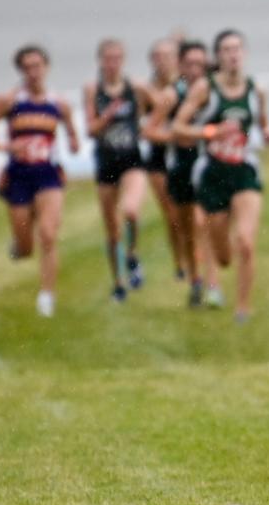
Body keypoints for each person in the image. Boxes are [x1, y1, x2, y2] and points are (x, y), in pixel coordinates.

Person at [173, 29, 269, 322]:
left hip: (245, 170)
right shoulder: (205, 89)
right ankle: (216, 275)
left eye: (238, 49)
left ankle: (243, 307)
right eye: (227, 50)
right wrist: (210, 131)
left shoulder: (257, 89)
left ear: (245, 54)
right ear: (218, 56)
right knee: (224, 254)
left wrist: (264, 132)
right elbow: (178, 128)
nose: (233, 55)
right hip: (212, 171)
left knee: (245, 241)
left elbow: (262, 122)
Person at [0, 45, 79, 317]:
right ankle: (19, 246)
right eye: (28, 68)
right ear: (21, 71)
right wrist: (7, 147)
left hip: (48, 174)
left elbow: (72, 137)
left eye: (38, 66)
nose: (34, 72)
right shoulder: (11, 102)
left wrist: (72, 142)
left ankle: (47, 295)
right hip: (19, 175)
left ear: (46, 68)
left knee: (48, 234)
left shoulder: (59, 104)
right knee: (26, 248)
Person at [143, 39, 221, 307]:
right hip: (180, 164)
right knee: (185, 225)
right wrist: (175, 137)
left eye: (200, 63)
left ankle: (213, 284)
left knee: (203, 221)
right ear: (180, 65)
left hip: (209, 162)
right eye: (189, 63)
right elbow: (149, 130)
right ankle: (195, 279)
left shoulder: (214, 90)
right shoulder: (172, 94)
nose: (195, 69)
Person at [84, 39, 152, 302]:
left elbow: (160, 105)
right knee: (111, 229)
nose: (112, 63)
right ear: (100, 60)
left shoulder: (135, 87)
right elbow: (90, 129)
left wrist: (148, 127)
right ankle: (118, 283)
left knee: (131, 211)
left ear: (123, 60)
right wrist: (107, 116)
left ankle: (133, 254)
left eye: (117, 58)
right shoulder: (93, 89)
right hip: (105, 161)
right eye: (107, 58)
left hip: (132, 159)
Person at [145, 38, 186, 280]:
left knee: (193, 213)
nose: (163, 61)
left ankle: (196, 258)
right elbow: (142, 126)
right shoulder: (147, 90)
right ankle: (179, 262)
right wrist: (171, 136)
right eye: (158, 56)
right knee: (171, 214)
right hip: (159, 157)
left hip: (185, 154)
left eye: (169, 55)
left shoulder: (187, 87)